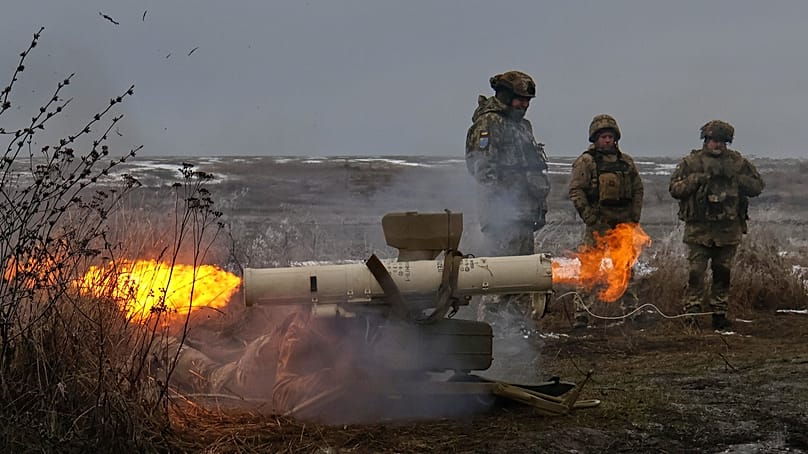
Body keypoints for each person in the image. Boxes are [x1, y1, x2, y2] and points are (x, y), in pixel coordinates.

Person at [465, 70, 550, 321]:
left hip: (524, 214)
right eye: (520, 99)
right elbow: (483, 170)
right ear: (505, 95)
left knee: (524, 278)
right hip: (503, 217)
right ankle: (490, 330)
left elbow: (532, 169)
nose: (524, 105)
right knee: (499, 279)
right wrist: (500, 210)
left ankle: (516, 331)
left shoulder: (523, 126)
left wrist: (538, 205)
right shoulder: (489, 123)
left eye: (528, 101)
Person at [669, 120, 764, 330]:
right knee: (695, 273)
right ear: (706, 140)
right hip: (699, 229)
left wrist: (737, 179)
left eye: (722, 141)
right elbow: (675, 189)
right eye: (713, 140)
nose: (717, 145)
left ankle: (719, 314)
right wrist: (696, 180)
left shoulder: (737, 162)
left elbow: (757, 186)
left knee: (723, 274)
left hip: (728, 229)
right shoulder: (691, 163)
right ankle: (691, 314)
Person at [568, 114, 644, 328]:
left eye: (610, 136)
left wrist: (634, 217)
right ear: (595, 138)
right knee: (589, 270)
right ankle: (581, 315)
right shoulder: (587, 162)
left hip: (622, 225)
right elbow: (576, 191)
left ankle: (632, 311)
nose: (608, 140)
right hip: (598, 225)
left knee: (626, 268)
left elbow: (637, 188)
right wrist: (590, 218)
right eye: (603, 137)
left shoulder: (626, 162)